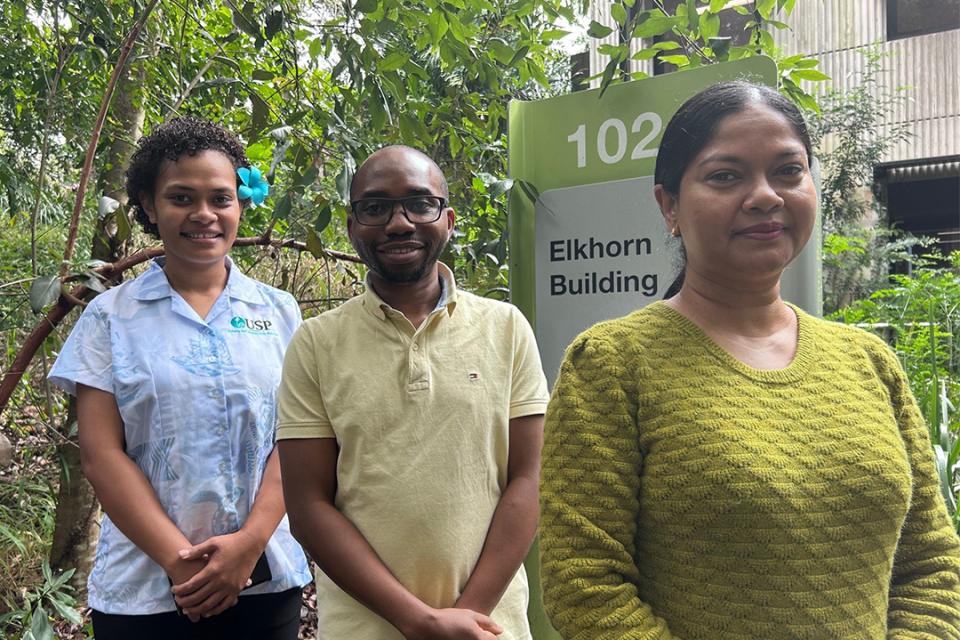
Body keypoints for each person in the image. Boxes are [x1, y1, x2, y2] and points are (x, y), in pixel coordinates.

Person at [538, 81, 960, 639]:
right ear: (669, 205)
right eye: (726, 176)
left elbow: (930, 561)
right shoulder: (611, 365)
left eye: (788, 171)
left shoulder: (870, 362)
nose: (765, 196)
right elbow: (585, 585)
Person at [48, 117, 311, 639]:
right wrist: (180, 561)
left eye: (220, 198)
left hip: (265, 578)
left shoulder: (280, 312)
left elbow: (297, 438)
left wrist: (249, 545)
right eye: (181, 198)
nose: (204, 215)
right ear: (148, 205)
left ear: (241, 203)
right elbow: (102, 455)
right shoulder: (109, 317)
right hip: (144, 593)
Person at [276, 145, 548, 640]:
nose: (399, 223)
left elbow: (527, 480)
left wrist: (467, 616)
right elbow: (309, 505)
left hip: (490, 627)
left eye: (419, 204)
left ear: (448, 219)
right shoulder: (315, 344)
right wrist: (420, 622)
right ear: (353, 225)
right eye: (375, 207)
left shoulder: (505, 328)